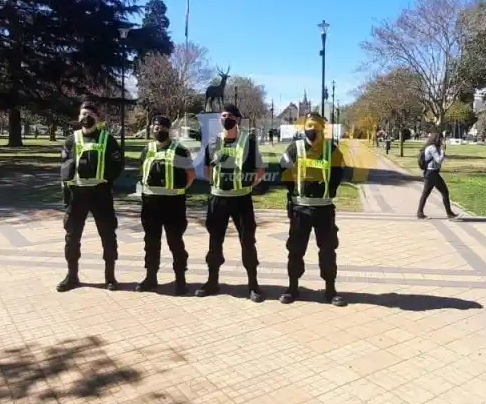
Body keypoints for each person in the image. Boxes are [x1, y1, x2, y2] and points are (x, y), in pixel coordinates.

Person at [197, 104, 266, 302]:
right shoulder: (212, 143)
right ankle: (212, 282)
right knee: (214, 240)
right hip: (218, 199)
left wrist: (245, 185)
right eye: (223, 115)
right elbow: (209, 169)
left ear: (238, 119)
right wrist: (219, 185)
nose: (225, 119)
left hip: (241, 199)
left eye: (229, 116)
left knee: (247, 241)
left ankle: (253, 285)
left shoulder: (249, 142)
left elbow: (259, 170)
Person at [56, 100, 125, 292]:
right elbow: (64, 167)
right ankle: (72, 276)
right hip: (76, 194)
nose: (86, 118)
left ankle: (110, 277)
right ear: (78, 117)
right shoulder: (71, 140)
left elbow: (118, 164)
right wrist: (65, 194)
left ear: (97, 118)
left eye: (90, 115)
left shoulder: (107, 139)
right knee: (72, 236)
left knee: (108, 235)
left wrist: (106, 179)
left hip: (100, 194)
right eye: (83, 114)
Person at [279, 112, 347, 306]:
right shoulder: (294, 148)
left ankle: (330, 289)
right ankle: (292, 288)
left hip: (324, 208)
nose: (312, 130)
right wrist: (294, 191)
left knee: (328, 249)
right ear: (304, 128)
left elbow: (338, 173)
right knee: (295, 249)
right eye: (308, 126)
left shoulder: (331, 149)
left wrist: (328, 190)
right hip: (300, 208)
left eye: (315, 127)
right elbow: (282, 169)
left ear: (322, 129)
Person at [136, 115, 194, 295]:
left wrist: (179, 189)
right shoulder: (147, 149)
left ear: (168, 129)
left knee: (175, 241)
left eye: (160, 126)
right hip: (150, 204)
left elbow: (190, 174)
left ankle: (180, 279)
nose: (156, 129)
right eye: (154, 125)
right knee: (151, 242)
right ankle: (150, 277)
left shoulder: (180, 150)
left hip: (173, 204)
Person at [416, 131, 457, 220]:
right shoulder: (432, 148)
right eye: (441, 138)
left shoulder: (432, 147)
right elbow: (438, 160)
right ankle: (420, 213)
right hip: (431, 174)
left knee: (444, 192)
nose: (442, 140)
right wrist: (442, 152)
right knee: (426, 193)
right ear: (437, 139)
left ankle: (449, 213)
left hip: (433, 173)